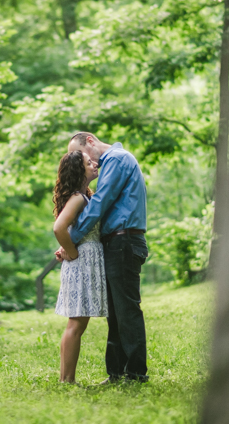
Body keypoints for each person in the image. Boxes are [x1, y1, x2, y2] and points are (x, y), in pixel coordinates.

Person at [59, 131, 149, 384]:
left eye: (83, 155)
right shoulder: (112, 162)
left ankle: (135, 374)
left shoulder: (116, 159)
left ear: (90, 141)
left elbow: (99, 204)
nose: (84, 162)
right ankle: (117, 373)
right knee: (116, 313)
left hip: (124, 241)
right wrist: (68, 242)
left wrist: (71, 241)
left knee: (126, 311)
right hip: (115, 242)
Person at [52, 150, 108, 384]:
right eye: (88, 163)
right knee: (76, 323)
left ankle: (66, 379)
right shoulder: (77, 197)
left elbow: (72, 230)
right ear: (79, 170)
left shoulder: (83, 196)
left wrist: (69, 246)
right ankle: (67, 380)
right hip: (81, 262)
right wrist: (71, 250)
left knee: (77, 323)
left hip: (84, 260)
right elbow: (58, 228)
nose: (94, 164)